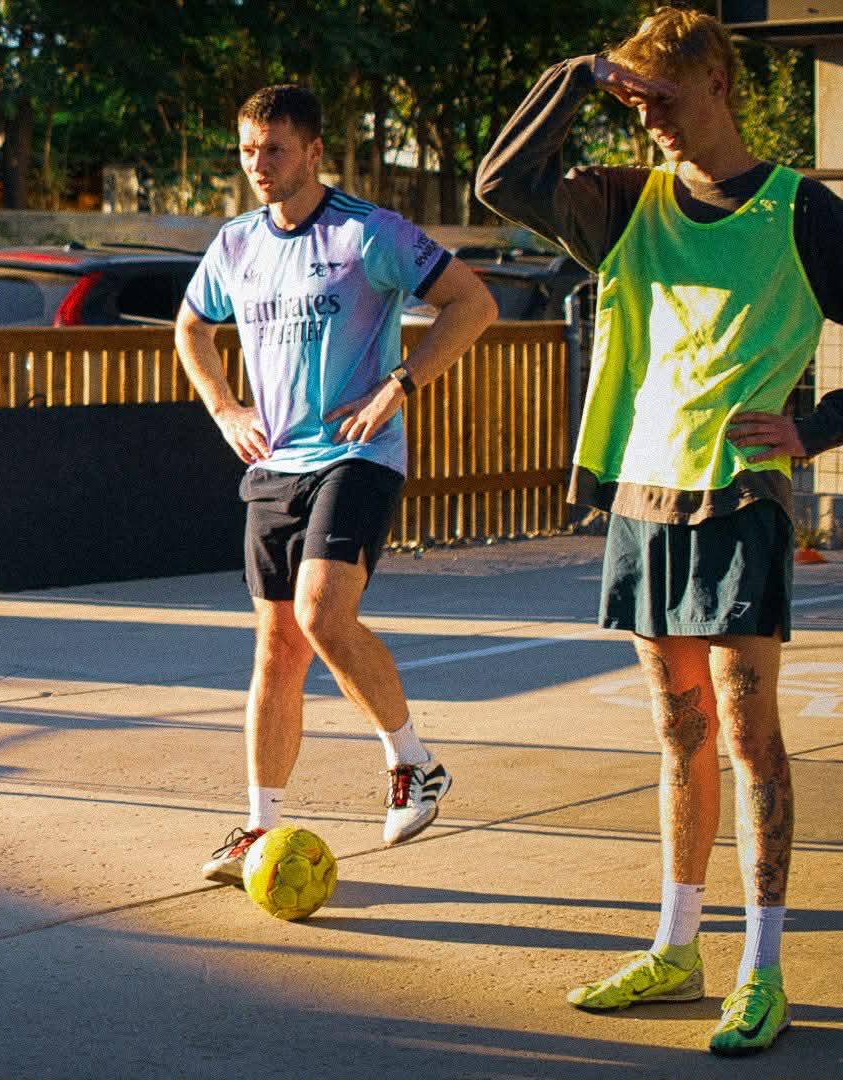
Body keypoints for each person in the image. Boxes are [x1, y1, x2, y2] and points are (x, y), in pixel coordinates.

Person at [477, 7, 843, 1056]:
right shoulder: (622, 201)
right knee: (679, 737)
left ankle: (761, 969)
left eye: (667, 99)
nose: (654, 122)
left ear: (719, 82)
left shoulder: (799, 209)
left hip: (738, 499)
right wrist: (580, 73)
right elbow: (500, 182)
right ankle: (676, 949)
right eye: (637, 104)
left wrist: (814, 429)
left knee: (749, 738)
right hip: (643, 495)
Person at [178, 86, 497, 885]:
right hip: (272, 466)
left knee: (322, 614)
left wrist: (400, 384)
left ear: (315, 151)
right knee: (278, 648)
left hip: (357, 453)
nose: (258, 164)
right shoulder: (236, 243)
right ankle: (259, 827)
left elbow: (473, 303)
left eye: (274, 149)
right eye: (247, 150)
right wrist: (224, 408)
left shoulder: (367, 233)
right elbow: (191, 327)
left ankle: (413, 762)